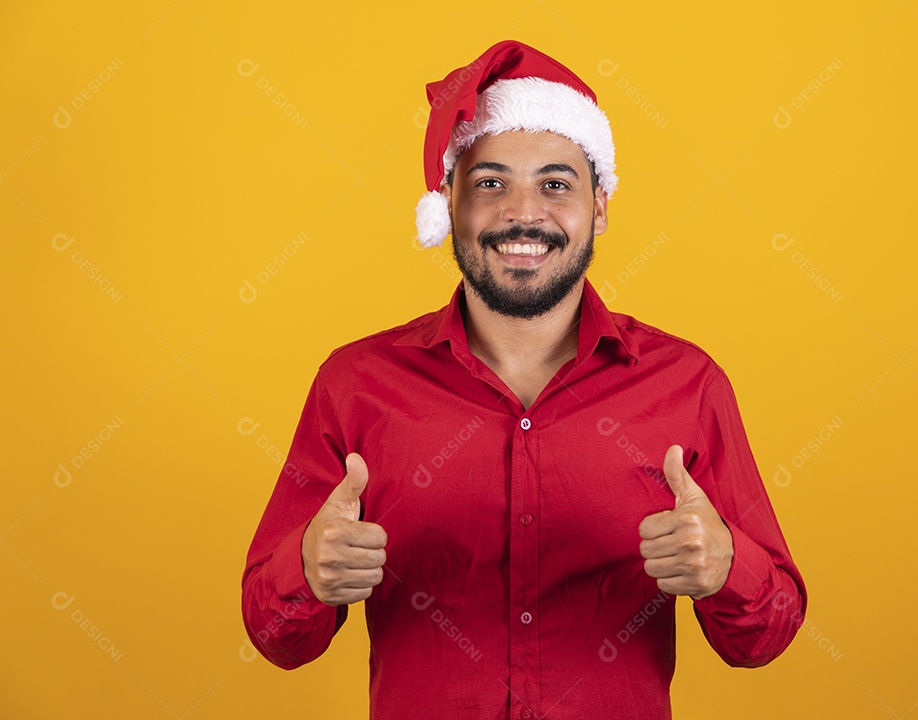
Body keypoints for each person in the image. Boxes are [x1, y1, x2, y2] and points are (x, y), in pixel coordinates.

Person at [242, 39, 806, 719]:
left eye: (556, 183)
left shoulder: (687, 384)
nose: (523, 213)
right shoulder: (355, 385)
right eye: (490, 182)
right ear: (449, 201)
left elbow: (767, 633)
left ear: (599, 206)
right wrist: (307, 567)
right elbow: (275, 637)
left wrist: (726, 567)